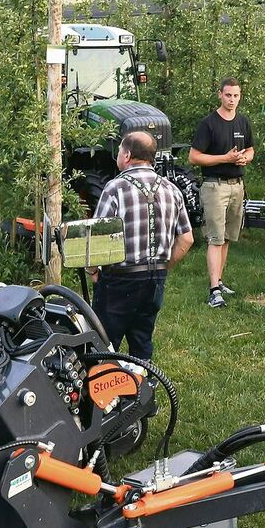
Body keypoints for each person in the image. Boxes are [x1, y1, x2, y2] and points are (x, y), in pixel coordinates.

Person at [87, 132, 195, 361]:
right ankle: (143, 379)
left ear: (127, 155)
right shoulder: (172, 190)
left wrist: (93, 270)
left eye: (119, 151)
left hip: (119, 279)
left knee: (104, 344)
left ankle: (106, 381)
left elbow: (97, 237)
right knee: (142, 340)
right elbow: (186, 239)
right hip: (155, 280)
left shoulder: (115, 188)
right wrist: (164, 265)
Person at [189, 77, 254, 308]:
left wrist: (245, 158)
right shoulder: (209, 123)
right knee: (215, 239)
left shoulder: (243, 121)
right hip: (215, 186)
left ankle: (219, 280)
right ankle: (214, 291)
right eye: (228, 95)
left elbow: (250, 149)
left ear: (240, 96)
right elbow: (194, 157)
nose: (232, 100)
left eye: (236, 96)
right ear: (220, 95)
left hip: (237, 185)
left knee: (226, 238)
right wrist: (224, 158)